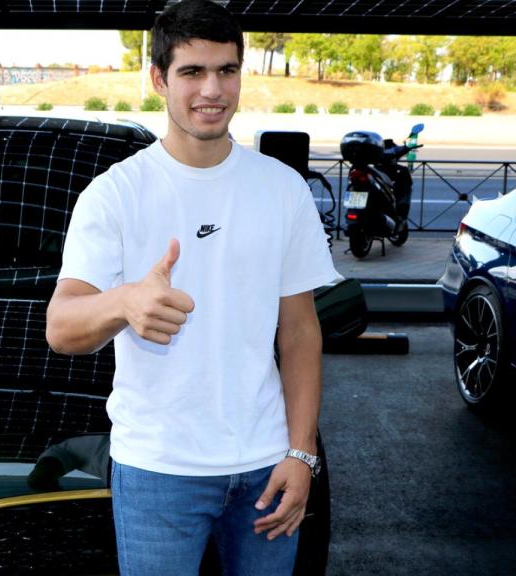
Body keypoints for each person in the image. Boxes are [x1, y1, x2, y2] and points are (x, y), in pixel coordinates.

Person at [44, 1, 341, 574]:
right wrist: (124, 301)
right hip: (158, 471)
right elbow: (61, 327)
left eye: (226, 70)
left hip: (266, 465)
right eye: (192, 72)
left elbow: (301, 332)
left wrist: (302, 454)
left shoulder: (282, 190)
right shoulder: (115, 194)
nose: (213, 89)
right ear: (159, 79)